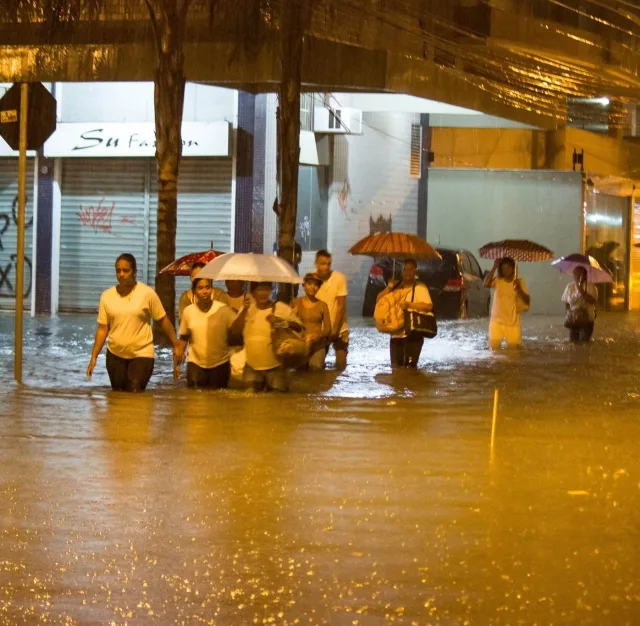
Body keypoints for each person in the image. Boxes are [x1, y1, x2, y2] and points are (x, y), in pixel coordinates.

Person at [86, 253, 183, 392]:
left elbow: (163, 320)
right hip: (115, 355)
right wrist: (94, 357)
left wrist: (176, 344)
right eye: (118, 270)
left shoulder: (147, 293)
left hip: (142, 354)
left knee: (135, 394)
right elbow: (102, 329)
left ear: (134, 272)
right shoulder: (107, 296)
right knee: (118, 397)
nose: (121, 274)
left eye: (126, 270)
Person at [229, 281, 302, 392]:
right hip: (252, 367)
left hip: (276, 367)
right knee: (249, 403)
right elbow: (235, 331)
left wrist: (281, 322)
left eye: (266, 289)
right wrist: (244, 310)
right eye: (259, 289)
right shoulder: (247, 309)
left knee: (278, 402)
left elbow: (299, 327)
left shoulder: (280, 307)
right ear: (253, 293)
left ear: (270, 291)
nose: (263, 293)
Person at [177, 277, 237, 389]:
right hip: (195, 364)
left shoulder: (223, 309)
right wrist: (178, 358)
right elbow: (184, 336)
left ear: (212, 289)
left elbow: (238, 328)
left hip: (220, 363)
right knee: (194, 401)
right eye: (200, 288)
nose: (205, 291)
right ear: (194, 291)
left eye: (207, 287)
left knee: (217, 401)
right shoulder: (188, 311)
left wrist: (244, 311)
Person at [376, 259, 433, 368]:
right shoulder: (395, 286)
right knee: (395, 368)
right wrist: (389, 288)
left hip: (413, 335)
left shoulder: (420, 287)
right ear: (402, 271)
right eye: (405, 269)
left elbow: (429, 306)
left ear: (415, 272)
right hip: (396, 335)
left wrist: (410, 305)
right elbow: (379, 300)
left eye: (411, 269)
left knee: (410, 369)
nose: (407, 272)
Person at [483, 257, 530, 350]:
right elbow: (485, 284)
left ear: (513, 269)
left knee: (514, 353)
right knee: (493, 351)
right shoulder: (497, 281)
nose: (506, 271)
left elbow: (527, 300)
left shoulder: (519, 282)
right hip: (496, 322)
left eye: (508, 268)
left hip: (512, 323)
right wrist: (494, 267)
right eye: (504, 269)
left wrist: (519, 289)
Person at [315, 250, 349, 370]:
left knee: (341, 365)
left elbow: (341, 306)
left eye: (328, 264)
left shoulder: (339, 278)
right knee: (317, 365)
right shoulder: (312, 280)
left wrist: (335, 330)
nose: (326, 267)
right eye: (323, 263)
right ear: (316, 263)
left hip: (339, 329)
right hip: (322, 330)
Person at [291, 273, 331, 371]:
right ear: (304, 286)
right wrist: (292, 317)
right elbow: (288, 325)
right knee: (299, 373)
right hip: (301, 344)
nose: (312, 287)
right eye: (309, 284)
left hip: (318, 346)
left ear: (319, 287)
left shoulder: (323, 305)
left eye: (316, 285)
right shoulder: (295, 303)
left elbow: (327, 329)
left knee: (316, 373)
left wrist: (316, 336)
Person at [562, 266, 598, 342]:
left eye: (580, 274)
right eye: (575, 274)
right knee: (573, 343)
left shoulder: (591, 286)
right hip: (573, 319)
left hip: (587, 319)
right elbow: (566, 302)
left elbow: (592, 300)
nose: (577, 276)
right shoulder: (569, 286)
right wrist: (568, 313)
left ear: (585, 275)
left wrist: (580, 288)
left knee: (584, 342)